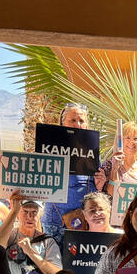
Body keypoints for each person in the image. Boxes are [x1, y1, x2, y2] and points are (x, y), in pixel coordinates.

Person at [42, 103, 97, 244]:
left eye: (81, 121)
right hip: (55, 223)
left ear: (86, 125)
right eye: (72, 120)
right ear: (62, 123)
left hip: (83, 223)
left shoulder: (92, 151)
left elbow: (96, 186)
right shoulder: (48, 148)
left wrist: (101, 181)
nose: (77, 124)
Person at [95, 121, 137, 196]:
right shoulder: (109, 165)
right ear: (120, 141)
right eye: (128, 138)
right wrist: (114, 169)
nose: (131, 142)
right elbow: (110, 194)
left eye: (135, 139)